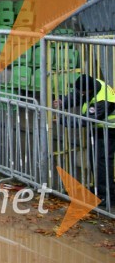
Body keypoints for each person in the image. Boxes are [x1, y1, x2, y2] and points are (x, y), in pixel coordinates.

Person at [53, 74, 115, 206]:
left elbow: (86, 119)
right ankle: (100, 189)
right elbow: (77, 95)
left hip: (108, 130)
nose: (80, 93)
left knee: (102, 162)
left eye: (83, 91)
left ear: (89, 90)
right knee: (95, 160)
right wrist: (63, 102)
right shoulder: (93, 84)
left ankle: (107, 195)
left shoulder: (103, 100)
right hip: (99, 128)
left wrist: (62, 120)